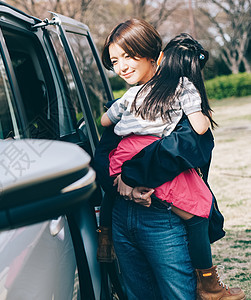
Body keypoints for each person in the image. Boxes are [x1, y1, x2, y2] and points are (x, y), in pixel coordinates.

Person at [100, 32, 245, 300]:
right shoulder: (139, 99)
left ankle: (207, 281)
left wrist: (125, 179)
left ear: (157, 57)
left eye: (129, 56)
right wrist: (121, 182)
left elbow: (110, 143)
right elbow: (104, 153)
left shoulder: (141, 103)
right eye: (115, 60)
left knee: (168, 292)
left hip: (152, 213)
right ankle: (208, 280)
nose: (122, 66)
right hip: (138, 213)